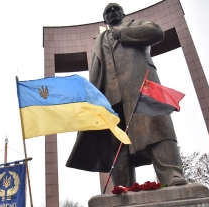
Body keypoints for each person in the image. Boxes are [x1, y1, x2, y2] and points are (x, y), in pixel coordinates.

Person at [66, 3, 188, 188]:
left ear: (123, 14)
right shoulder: (98, 41)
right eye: (108, 11)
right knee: (117, 144)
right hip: (110, 97)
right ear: (104, 19)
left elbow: (156, 31)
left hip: (140, 88)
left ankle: (172, 175)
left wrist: (122, 34)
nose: (112, 12)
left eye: (116, 9)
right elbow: (96, 74)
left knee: (157, 129)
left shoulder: (136, 25)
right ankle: (122, 186)